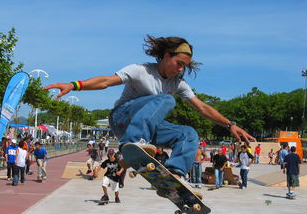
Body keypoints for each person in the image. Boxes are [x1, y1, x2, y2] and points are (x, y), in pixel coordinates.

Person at [44, 35, 255, 184]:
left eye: (184, 67)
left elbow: (202, 108)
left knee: (189, 133)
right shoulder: (141, 70)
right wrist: (75, 85)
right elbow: (107, 81)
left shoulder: (178, 84)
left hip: (148, 130)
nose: (180, 70)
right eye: (178, 63)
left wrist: (230, 125)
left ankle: (174, 174)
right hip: (121, 120)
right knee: (166, 100)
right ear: (165, 55)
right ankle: (133, 143)